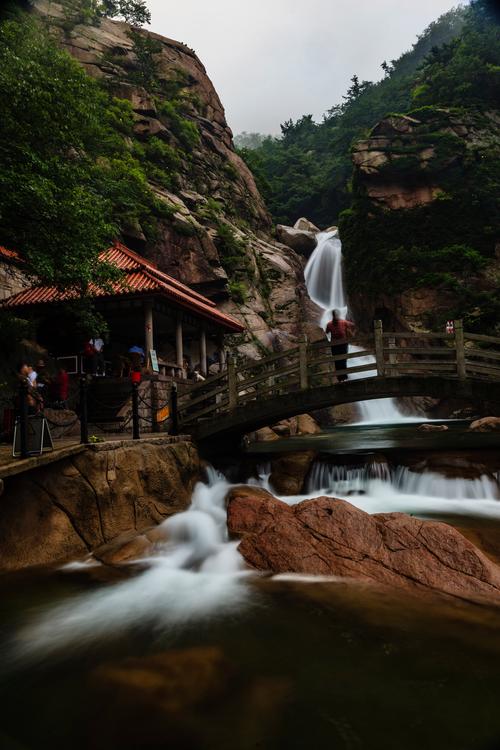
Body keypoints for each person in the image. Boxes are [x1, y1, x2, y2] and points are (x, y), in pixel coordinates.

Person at [325, 310, 356, 383]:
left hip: (338, 345)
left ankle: (342, 378)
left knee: (340, 360)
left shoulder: (333, 323)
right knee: (340, 360)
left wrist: (351, 332)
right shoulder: (342, 322)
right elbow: (353, 325)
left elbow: (327, 332)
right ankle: (342, 378)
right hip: (340, 345)